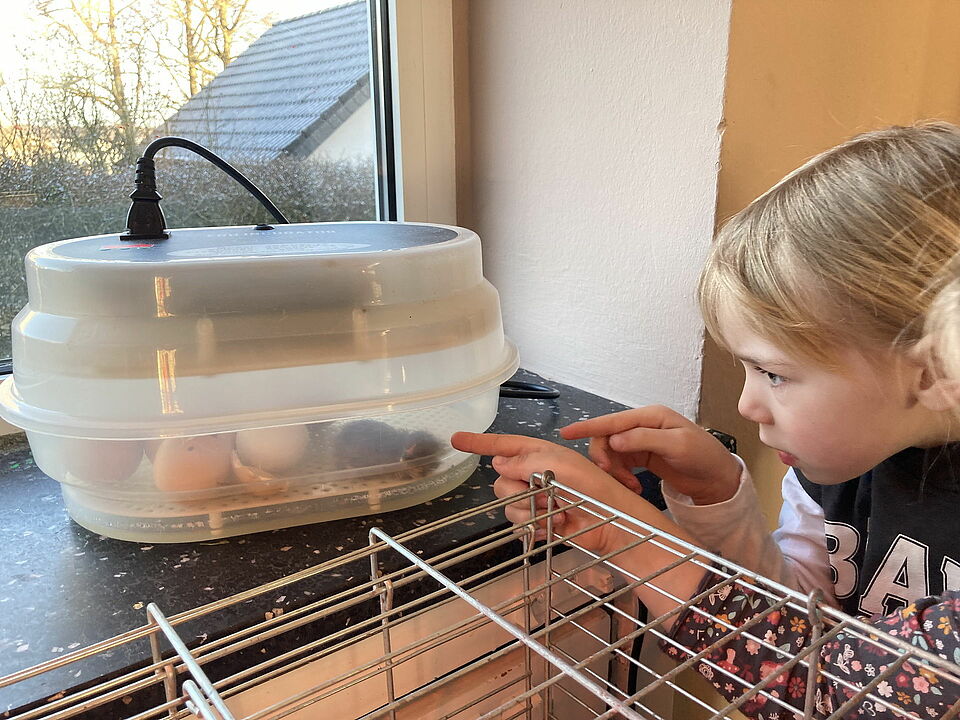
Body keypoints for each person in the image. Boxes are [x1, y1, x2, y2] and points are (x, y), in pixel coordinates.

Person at [452, 123, 960, 717]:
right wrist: (716, 496)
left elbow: (829, 696)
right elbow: (800, 626)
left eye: (774, 374)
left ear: (931, 369)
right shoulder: (841, 463)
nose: (746, 406)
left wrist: (625, 535)